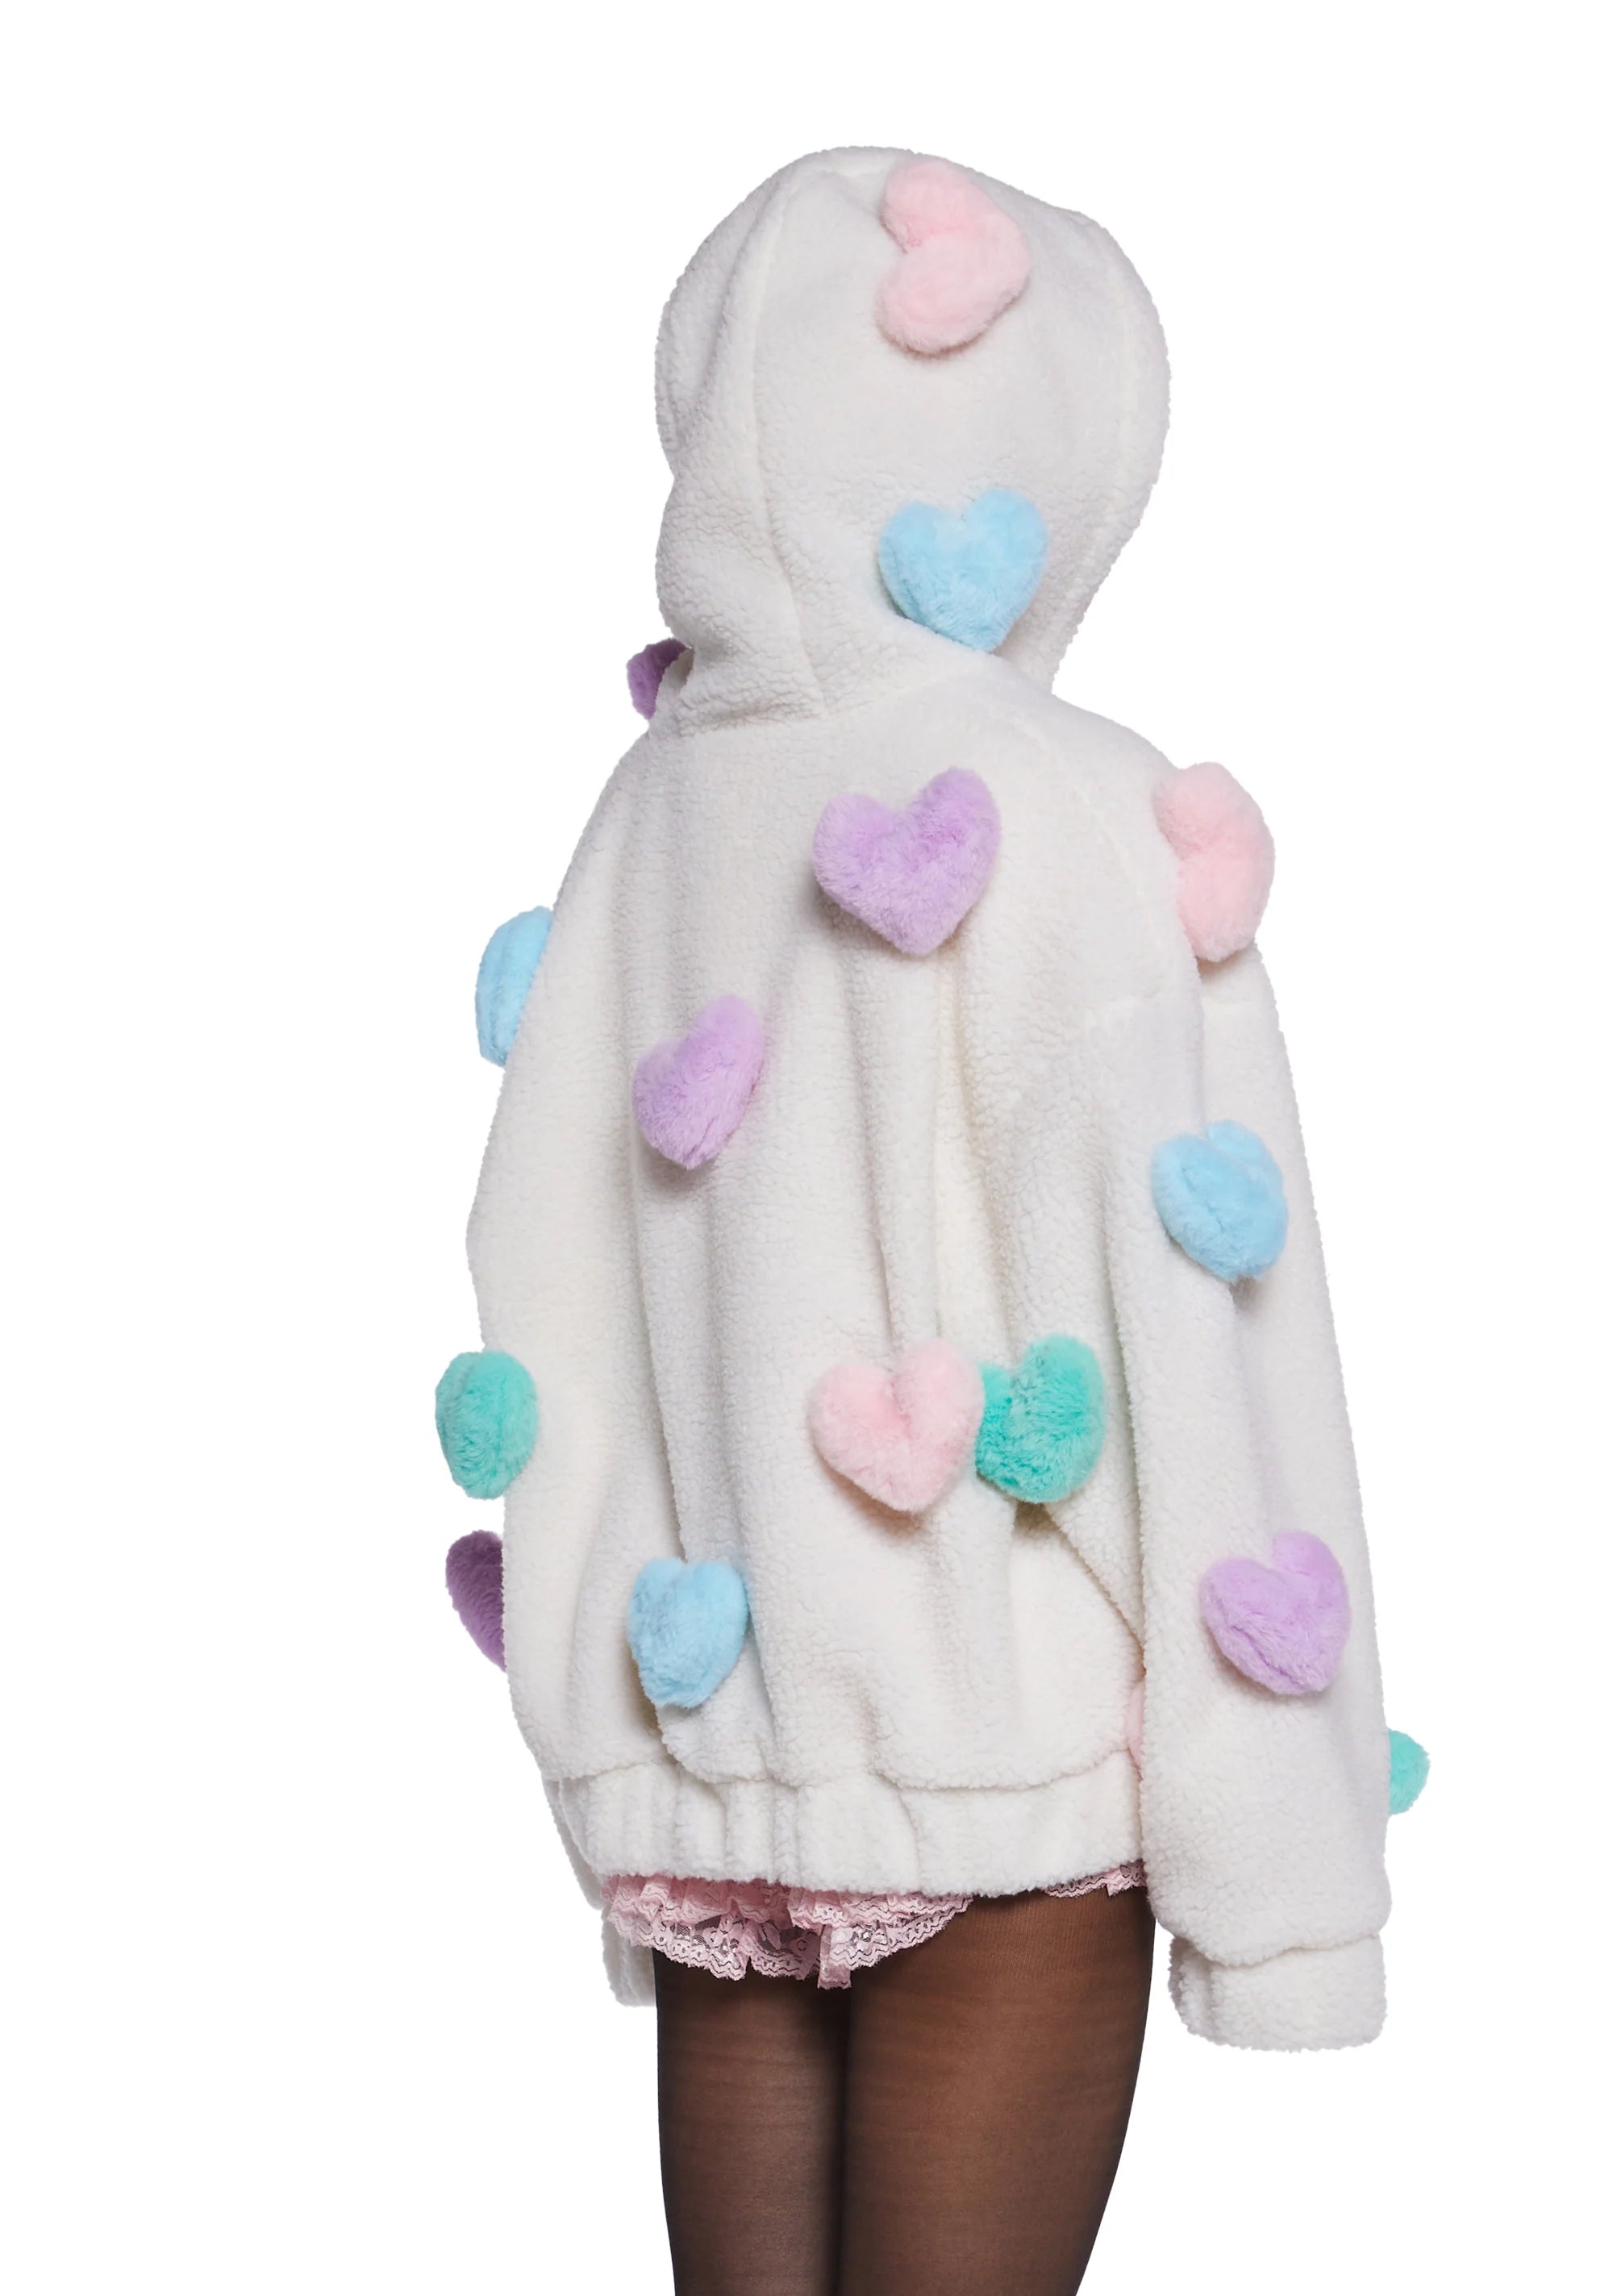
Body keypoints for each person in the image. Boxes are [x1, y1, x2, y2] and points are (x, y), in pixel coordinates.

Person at [440, 147, 1410, 2294]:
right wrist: (1289, 1886)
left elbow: (541, 1285)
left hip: (725, 1784)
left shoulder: (647, 809)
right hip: (1010, 1757)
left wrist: (624, 1742)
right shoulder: (1078, 808)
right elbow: (1204, 1354)